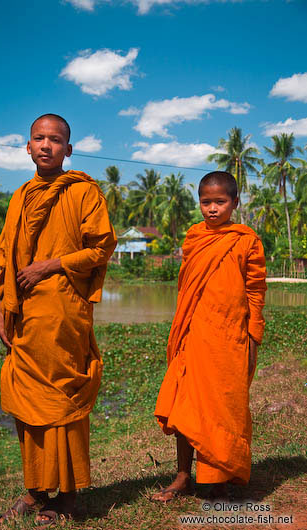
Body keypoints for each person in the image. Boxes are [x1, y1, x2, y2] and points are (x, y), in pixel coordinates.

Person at [0, 113, 117, 525]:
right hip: (25, 315)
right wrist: (1, 306)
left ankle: (66, 497)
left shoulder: (83, 193)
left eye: (56, 139)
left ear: (69, 148)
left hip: (63, 312)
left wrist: (51, 266)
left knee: (60, 399)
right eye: (39, 138)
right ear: (27, 146)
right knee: (26, 403)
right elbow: (5, 259)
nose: (46, 145)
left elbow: (100, 248)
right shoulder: (18, 197)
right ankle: (34, 490)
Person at [152, 171, 266, 502]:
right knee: (186, 403)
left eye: (220, 202)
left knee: (223, 407)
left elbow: (255, 289)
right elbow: (187, 285)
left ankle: (218, 480)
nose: (212, 209)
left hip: (229, 336)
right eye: (206, 202)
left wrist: (253, 330)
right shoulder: (194, 237)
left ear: (235, 203)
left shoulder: (247, 240)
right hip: (193, 332)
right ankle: (183, 476)